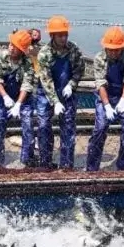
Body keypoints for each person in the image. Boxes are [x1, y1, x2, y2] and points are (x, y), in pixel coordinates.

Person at [35, 15, 85, 169]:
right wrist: (55, 101)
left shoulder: (73, 49)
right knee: (43, 125)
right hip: (46, 93)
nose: (64, 38)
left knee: (68, 127)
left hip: (66, 92)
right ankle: (45, 162)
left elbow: (79, 69)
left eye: (65, 35)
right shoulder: (44, 53)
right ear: (52, 36)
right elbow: (46, 80)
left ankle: (66, 164)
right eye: (60, 35)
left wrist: (72, 84)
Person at [86, 26, 124, 171]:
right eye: (111, 50)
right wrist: (107, 105)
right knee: (100, 128)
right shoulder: (99, 58)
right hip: (106, 96)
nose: (114, 52)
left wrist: (123, 100)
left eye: (117, 50)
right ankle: (92, 167)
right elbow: (101, 83)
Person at [0, 29, 36, 167]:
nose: (11, 47)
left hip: (23, 98)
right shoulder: (1, 57)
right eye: (11, 44)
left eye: (15, 46)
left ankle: (27, 160)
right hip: (3, 96)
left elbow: (27, 84)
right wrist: (5, 97)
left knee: (28, 127)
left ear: (21, 50)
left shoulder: (28, 62)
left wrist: (18, 104)